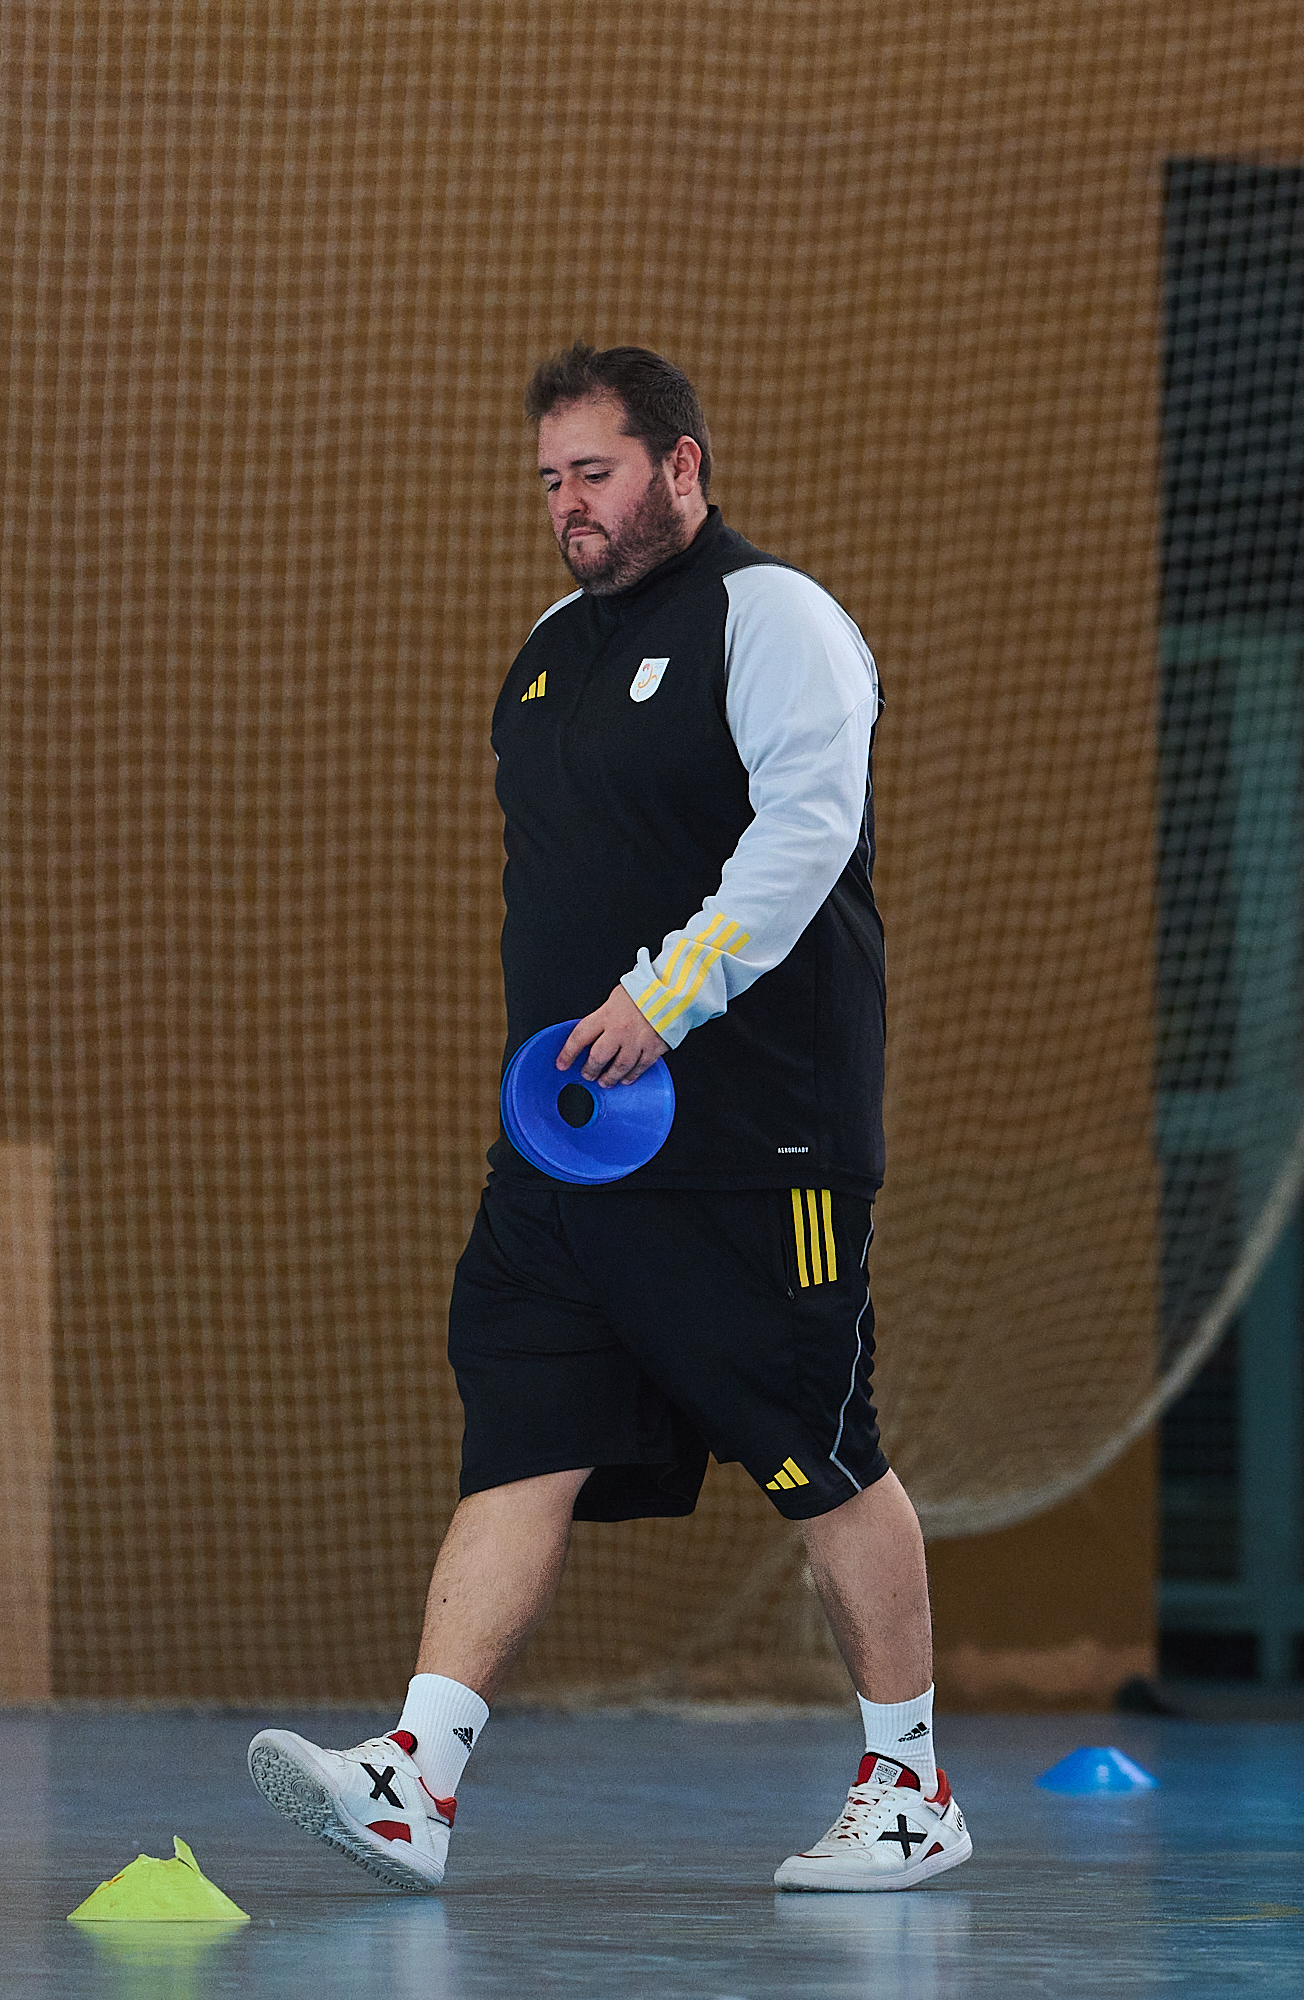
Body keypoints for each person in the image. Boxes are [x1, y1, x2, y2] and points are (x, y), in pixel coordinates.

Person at [246, 344, 965, 1894]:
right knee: (525, 1430)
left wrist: (667, 997)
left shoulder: (773, 618)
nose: (569, 502)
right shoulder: (551, 648)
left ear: (682, 466)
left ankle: (909, 1791)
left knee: (820, 1447)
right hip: (567, 1142)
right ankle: (416, 1778)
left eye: (598, 471)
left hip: (754, 1140)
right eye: (551, 479)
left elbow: (805, 835)